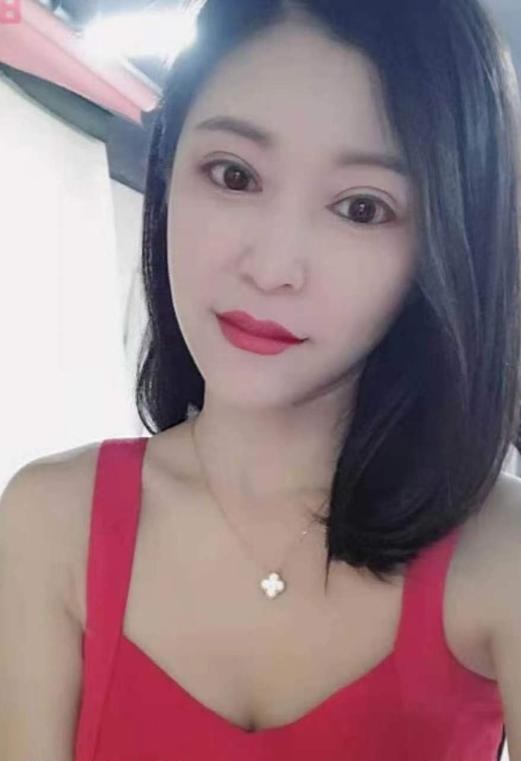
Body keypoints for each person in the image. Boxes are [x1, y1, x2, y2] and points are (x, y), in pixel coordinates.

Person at [1, 0, 520, 758]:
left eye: (361, 208)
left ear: (445, 243)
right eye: (234, 174)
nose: (273, 268)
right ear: (169, 172)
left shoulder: (500, 553)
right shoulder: (51, 522)